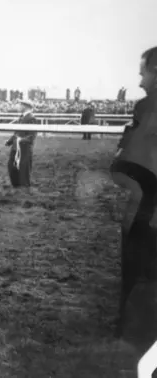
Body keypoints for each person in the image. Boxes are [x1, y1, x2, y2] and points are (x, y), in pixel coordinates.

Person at [110, 46, 157, 347]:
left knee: (140, 271)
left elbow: (126, 163)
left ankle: (131, 331)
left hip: (148, 210)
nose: (140, 81)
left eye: (144, 73)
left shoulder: (148, 107)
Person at [5, 100, 37, 188]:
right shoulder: (22, 117)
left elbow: (31, 136)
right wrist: (10, 141)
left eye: (20, 105)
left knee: (24, 170)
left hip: (24, 149)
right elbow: (17, 132)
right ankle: (16, 188)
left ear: (25, 106)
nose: (18, 106)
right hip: (15, 148)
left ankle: (24, 190)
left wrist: (21, 140)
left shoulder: (31, 118)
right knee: (12, 168)